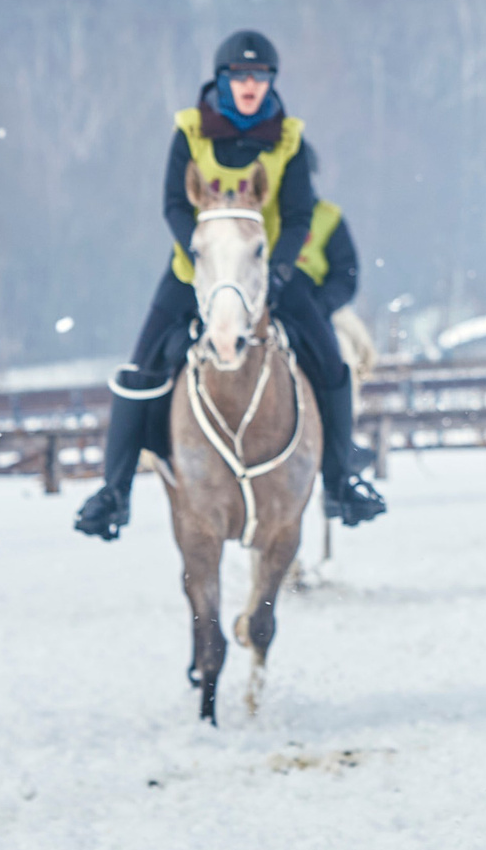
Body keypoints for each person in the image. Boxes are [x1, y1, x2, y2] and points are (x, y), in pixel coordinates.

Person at [74, 29, 388, 541]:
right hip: (196, 269)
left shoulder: (288, 138)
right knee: (139, 370)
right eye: (240, 76)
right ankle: (113, 492)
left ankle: (341, 481)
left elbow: (298, 212)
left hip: (266, 273)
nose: (250, 84)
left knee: (331, 364)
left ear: (270, 82)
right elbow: (174, 205)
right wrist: (200, 257)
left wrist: (280, 270)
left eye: (259, 76)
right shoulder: (191, 132)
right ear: (222, 80)